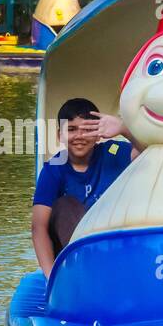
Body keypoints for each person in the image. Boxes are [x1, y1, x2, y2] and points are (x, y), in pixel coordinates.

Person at [31, 98, 140, 276]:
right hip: (75, 257)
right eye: (72, 129)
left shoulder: (113, 152)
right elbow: (38, 227)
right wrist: (51, 277)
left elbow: (150, 154)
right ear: (60, 135)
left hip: (114, 247)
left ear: (98, 133)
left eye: (87, 130)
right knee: (65, 206)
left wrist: (123, 129)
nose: (79, 137)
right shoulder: (53, 169)